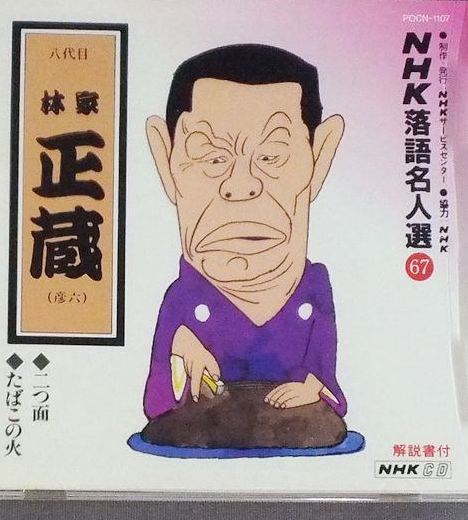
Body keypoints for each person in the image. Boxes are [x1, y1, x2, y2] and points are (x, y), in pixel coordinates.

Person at [139, 44, 349, 450]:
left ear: (319, 158)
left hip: (299, 427)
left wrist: (313, 386)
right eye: (212, 158)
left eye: (271, 156)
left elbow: (322, 370)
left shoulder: (314, 289)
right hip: (200, 427)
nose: (241, 185)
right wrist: (181, 347)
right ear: (166, 163)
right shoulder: (182, 299)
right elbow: (159, 398)